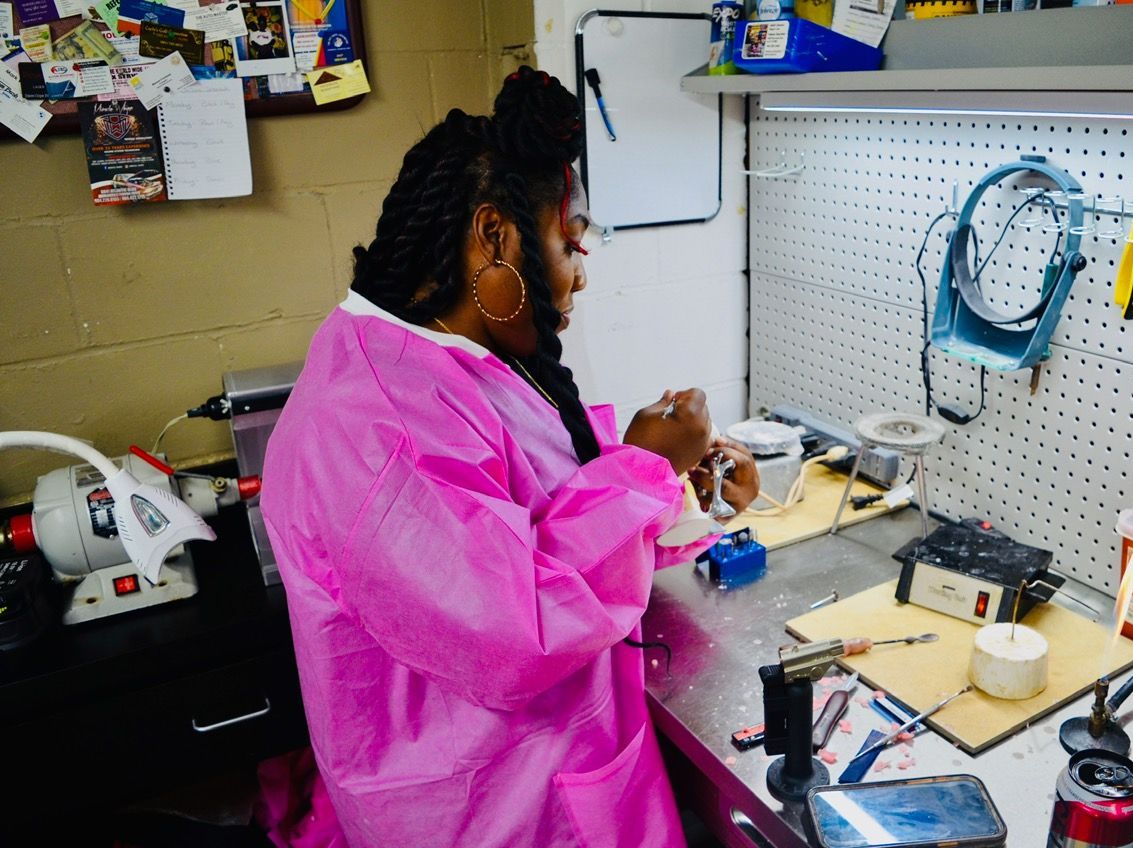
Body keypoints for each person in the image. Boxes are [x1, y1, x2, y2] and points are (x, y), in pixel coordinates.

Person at [260, 66, 759, 848]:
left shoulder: (447, 362)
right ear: (495, 236)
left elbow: (544, 518)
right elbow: (519, 625)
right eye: (569, 243)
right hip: (490, 812)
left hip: (555, 767)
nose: (580, 274)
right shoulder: (373, 425)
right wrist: (641, 467)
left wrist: (691, 489)